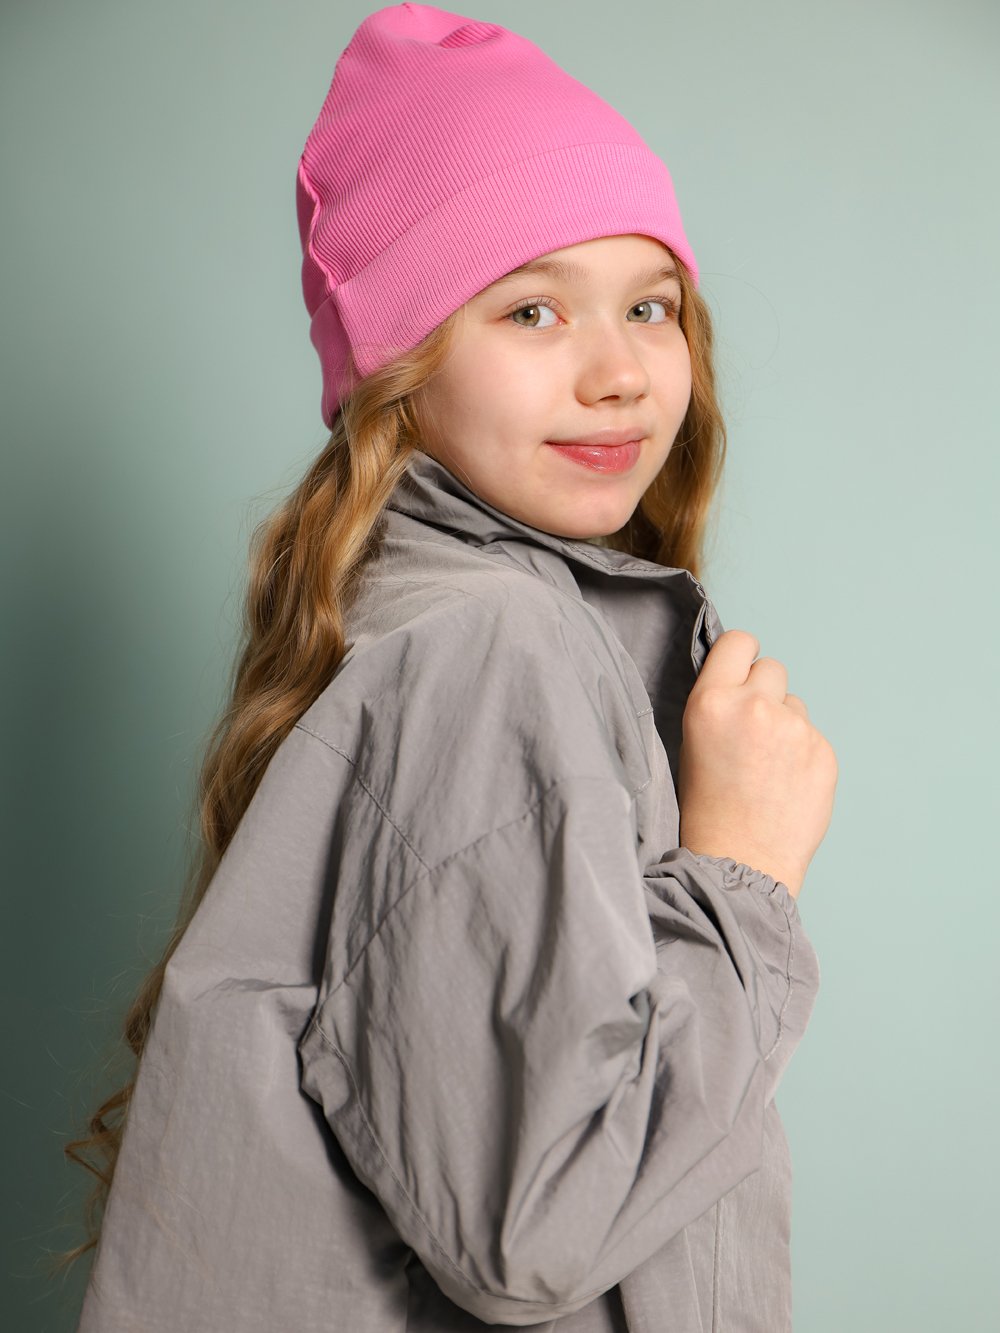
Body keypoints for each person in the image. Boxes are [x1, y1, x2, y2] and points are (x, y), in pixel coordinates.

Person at [67, 4, 837, 1330]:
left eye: (649, 306)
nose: (618, 373)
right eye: (532, 309)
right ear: (398, 366)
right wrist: (744, 879)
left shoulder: (463, 625)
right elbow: (533, 1230)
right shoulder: (487, 644)